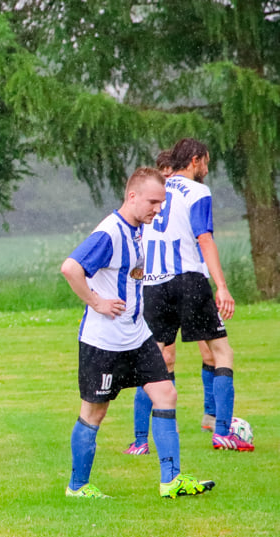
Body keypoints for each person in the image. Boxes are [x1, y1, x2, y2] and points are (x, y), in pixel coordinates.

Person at [60, 167, 213, 498]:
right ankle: (78, 486)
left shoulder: (138, 230)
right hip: (103, 342)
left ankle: (171, 480)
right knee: (94, 412)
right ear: (132, 197)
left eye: (161, 203)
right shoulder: (110, 233)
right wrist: (97, 302)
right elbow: (70, 268)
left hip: (137, 335)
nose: (158, 210)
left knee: (165, 393)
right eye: (153, 202)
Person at [138, 138, 251, 451]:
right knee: (221, 352)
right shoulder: (198, 191)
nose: (206, 168)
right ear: (196, 160)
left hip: (154, 284)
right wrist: (222, 286)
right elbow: (204, 238)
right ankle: (222, 432)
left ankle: (141, 441)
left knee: (155, 359)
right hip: (188, 279)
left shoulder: (158, 188)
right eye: (206, 162)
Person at [125, 150, 219, 455]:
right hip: (158, 284)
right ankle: (147, 434)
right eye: (161, 171)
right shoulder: (152, 206)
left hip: (189, 278)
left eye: (169, 170)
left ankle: (212, 416)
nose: (166, 176)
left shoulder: (179, 198)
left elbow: (199, 237)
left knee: (210, 351)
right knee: (162, 358)